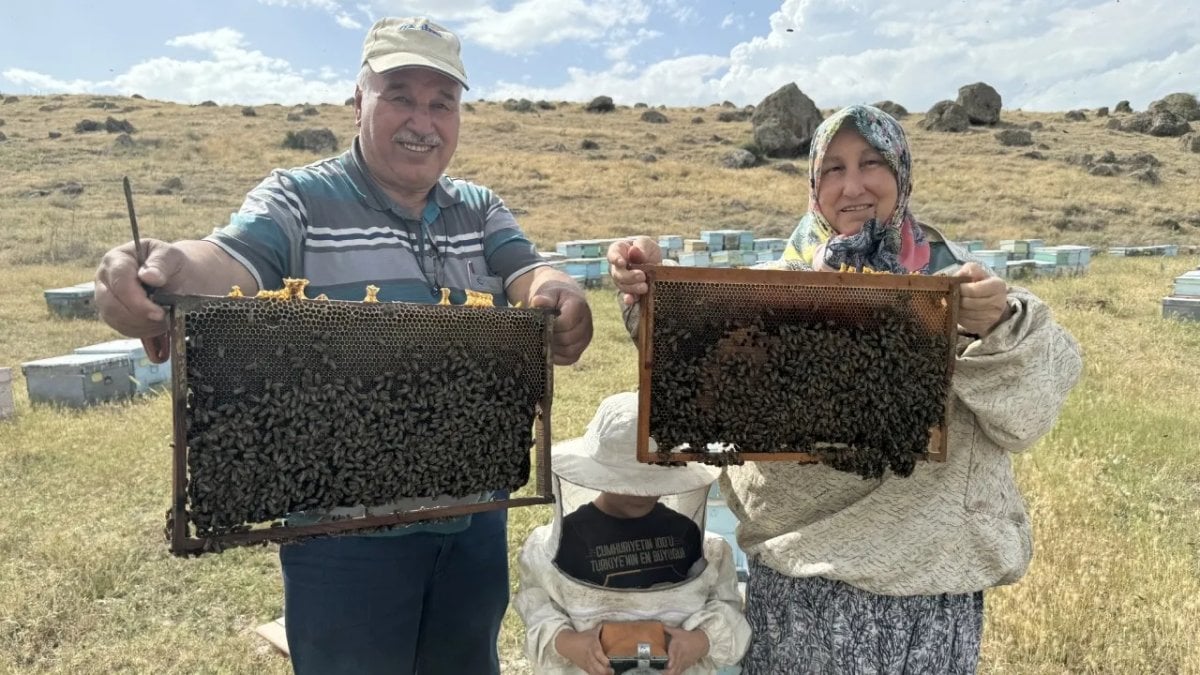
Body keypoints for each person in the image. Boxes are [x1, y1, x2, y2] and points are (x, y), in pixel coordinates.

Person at [95, 16, 593, 675]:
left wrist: (559, 290)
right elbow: (221, 263)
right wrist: (160, 274)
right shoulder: (296, 201)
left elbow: (529, 271)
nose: (423, 119)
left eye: (442, 102)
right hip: (342, 537)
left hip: (472, 523)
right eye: (400, 96)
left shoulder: (479, 209)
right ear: (358, 101)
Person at [607, 104, 1083, 673]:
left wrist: (1000, 322)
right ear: (813, 183)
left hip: (928, 594)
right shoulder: (767, 292)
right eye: (832, 168)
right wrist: (653, 287)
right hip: (801, 588)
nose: (851, 185)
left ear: (902, 173)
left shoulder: (958, 284)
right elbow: (690, 366)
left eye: (871, 162)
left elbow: (1029, 411)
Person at [514, 391, 751, 675]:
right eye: (629, 483)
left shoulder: (691, 537)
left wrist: (700, 641)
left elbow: (726, 605)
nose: (641, 494)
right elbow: (538, 607)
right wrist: (569, 643)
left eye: (651, 481)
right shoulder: (564, 543)